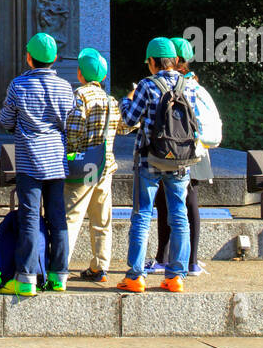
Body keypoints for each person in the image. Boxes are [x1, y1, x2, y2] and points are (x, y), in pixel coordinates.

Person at [118, 36, 200, 293]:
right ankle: (176, 276)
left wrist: (126, 99)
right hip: (180, 160)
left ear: (152, 62)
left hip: (149, 159)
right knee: (179, 216)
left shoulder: (147, 85)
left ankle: (135, 276)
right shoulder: (189, 86)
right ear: (174, 61)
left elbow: (131, 120)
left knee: (142, 216)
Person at [0, 32, 75, 295]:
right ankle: (59, 276)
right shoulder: (65, 87)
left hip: (29, 161)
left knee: (29, 217)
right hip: (56, 160)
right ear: (54, 59)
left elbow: (6, 121)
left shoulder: (18, 86)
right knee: (57, 217)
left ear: (29, 58)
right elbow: (69, 125)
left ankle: (26, 278)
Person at [64, 47, 131, 285]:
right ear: (102, 77)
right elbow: (125, 127)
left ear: (81, 74)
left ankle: (60, 267)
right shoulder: (111, 101)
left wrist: (71, 152)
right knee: (102, 220)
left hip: (83, 167)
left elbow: (72, 131)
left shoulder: (79, 96)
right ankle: (100, 267)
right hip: (105, 166)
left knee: (71, 217)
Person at [147, 37, 211, 277]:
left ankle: (171, 259)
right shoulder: (192, 83)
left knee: (172, 204)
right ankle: (187, 261)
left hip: (173, 152)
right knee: (186, 203)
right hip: (191, 149)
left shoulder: (182, 83)